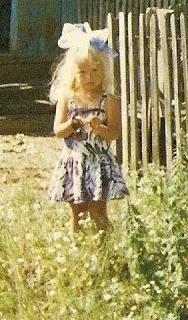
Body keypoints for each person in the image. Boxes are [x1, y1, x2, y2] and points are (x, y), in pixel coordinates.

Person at [45, 23, 128, 232]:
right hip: (75, 162)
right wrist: (72, 124)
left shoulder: (108, 100)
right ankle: (78, 249)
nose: (89, 78)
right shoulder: (68, 98)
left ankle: (104, 249)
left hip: (98, 162)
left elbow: (115, 132)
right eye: (83, 72)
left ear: (104, 71)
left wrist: (99, 127)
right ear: (73, 73)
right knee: (77, 212)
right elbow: (58, 130)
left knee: (99, 212)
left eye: (95, 71)